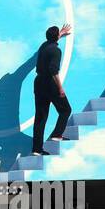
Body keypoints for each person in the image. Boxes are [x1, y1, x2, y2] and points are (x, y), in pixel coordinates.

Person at [32, 23, 73, 155]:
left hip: (38, 83)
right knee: (66, 110)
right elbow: (53, 70)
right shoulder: (56, 51)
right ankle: (57, 134)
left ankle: (37, 149)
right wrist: (60, 88)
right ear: (56, 38)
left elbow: (52, 41)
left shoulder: (44, 46)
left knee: (40, 118)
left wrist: (60, 33)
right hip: (50, 84)